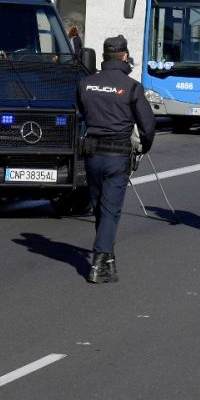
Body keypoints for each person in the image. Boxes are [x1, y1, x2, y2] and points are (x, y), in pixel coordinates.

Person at [76, 35, 157, 283]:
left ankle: (109, 261)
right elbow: (148, 125)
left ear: (104, 56)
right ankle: (99, 262)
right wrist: (144, 147)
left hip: (92, 154)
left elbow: (81, 111)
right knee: (110, 211)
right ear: (123, 56)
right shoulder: (131, 87)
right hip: (117, 155)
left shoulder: (86, 84)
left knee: (100, 208)